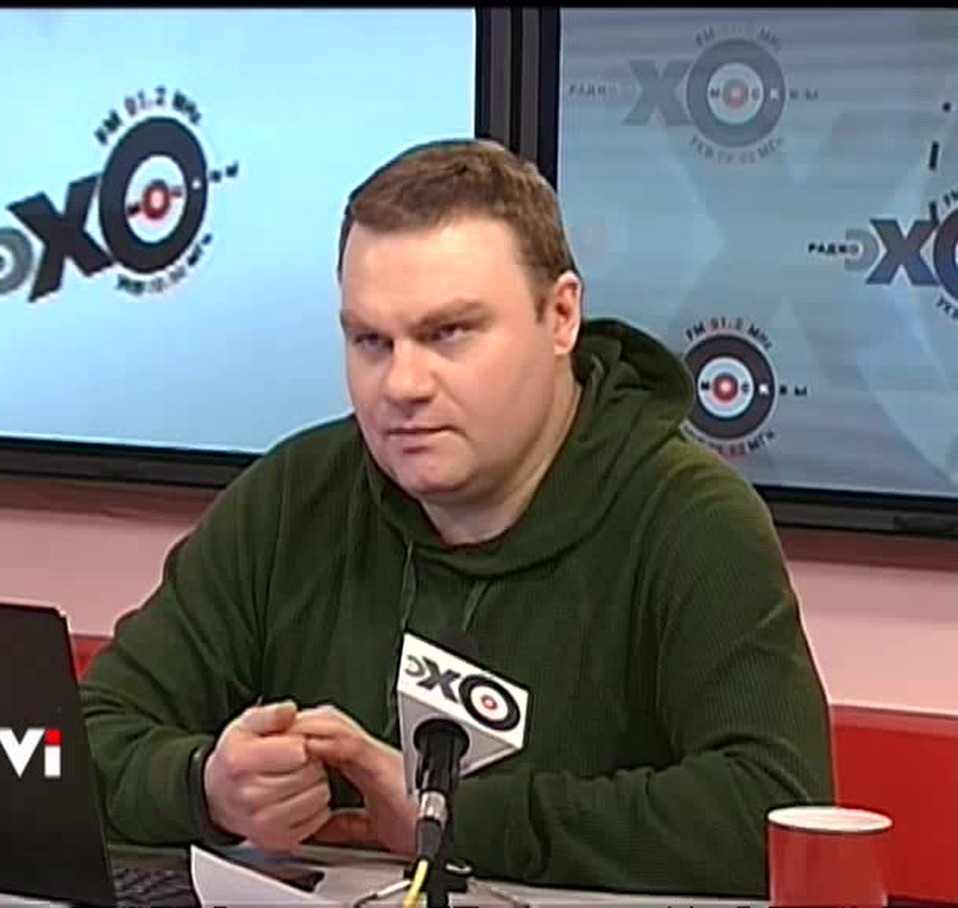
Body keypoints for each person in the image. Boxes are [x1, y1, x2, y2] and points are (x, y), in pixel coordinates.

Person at [79, 138, 833, 897]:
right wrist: (205, 787)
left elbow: (773, 811)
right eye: (371, 341)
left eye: (448, 334)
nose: (402, 384)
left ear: (561, 315)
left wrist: (453, 819)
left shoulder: (689, 519)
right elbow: (67, 744)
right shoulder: (290, 499)